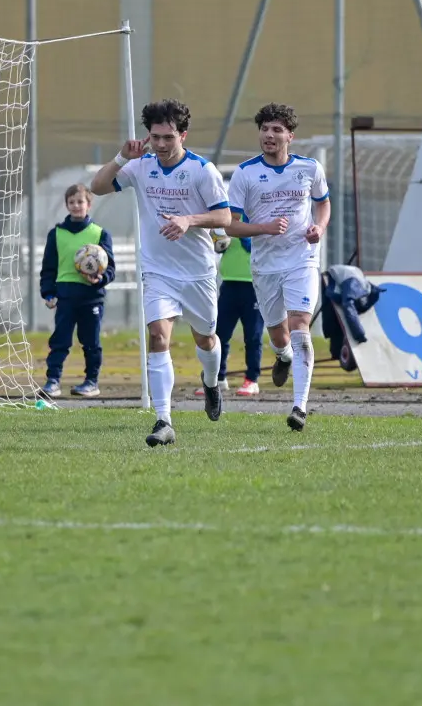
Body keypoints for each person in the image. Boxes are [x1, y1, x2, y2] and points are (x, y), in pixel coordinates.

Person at [89, 99, 232, 446]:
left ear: (183, 135)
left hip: (197, 272)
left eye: (169, 137)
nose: (162, 144)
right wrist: (121, 157)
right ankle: (164, 420)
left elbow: (225, 217)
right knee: (157, 337)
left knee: (206, 339)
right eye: (155, 137)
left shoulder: (202, 170)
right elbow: (97, 186)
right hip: (157, 270)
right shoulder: (140, 165)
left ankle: (211, 383)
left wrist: (188, 220)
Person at [225, 102, 330, 431]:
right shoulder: (245, 173)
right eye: (264, 129)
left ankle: (299, 407)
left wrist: (319, 227)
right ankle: (283, 356)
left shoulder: (309, 168)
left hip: (302, 259)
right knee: (278, 334)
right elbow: (230, 225)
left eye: (276, 130)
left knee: (300, 325)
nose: (269, 135)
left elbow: (323, 204)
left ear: (290, 136)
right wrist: (264, 228)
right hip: (265, 264)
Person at [38, 183, 115, 398]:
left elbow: (110, 269)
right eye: (71, 202)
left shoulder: (100, 234)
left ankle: (91, 381)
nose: (76, 205)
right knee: (60, 341)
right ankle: (53, 380)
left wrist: (99, 279)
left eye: (80, 201)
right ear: (66, 205)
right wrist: (48, 292)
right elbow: (49, 268)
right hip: (65, 297)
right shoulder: (56, 234)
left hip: (92, 298)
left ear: (89, 204)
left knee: (91, 342)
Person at [196, 223, 263, 398]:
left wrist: (242, 234)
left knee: (253, 336)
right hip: (229, 283)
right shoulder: (229, 215)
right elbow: (219, 244)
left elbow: (256, 245)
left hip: (254, 285)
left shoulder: (256, 216)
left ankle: (252, 380)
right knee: (219, 334)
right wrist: (218, 239)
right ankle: (218, 378)